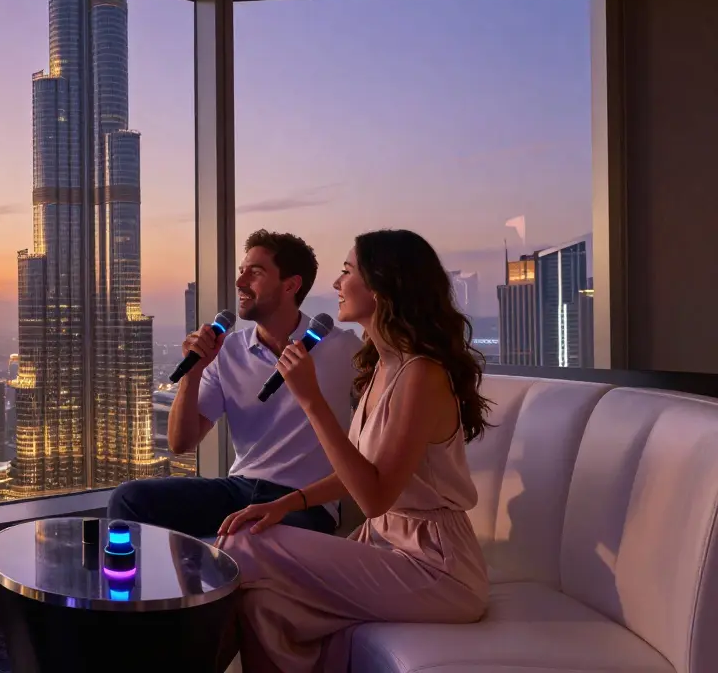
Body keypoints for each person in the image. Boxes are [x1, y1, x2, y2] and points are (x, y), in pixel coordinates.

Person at [214, 229, 492, 673]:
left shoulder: (422, 375)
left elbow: (374, 497)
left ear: (381, 288)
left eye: (346, 272)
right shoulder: (382, 366)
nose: (336, 285)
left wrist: (310, 401)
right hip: (384, 544)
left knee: (242, 543)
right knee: (264, 605)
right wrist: (286, 503)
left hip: (435, 566)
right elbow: (363, 471)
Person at [107, 229, 361, 537]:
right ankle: (131, 584)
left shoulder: (343, 348)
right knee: (129, 499)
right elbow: (180, 442)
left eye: (255, 273)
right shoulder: (228, 351)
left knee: (249, 540)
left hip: (304, 504)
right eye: (241, 272)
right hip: (239, 490)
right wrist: (194, 373)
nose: (240, 283)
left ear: (290, 285)